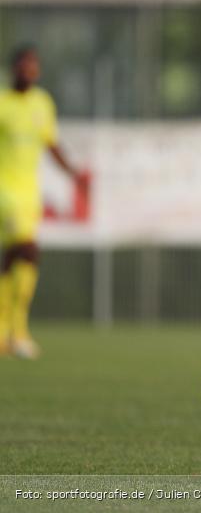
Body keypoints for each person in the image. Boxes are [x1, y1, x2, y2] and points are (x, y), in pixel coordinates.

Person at [0, 45, 87, 359]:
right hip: (4, 193)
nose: (28, 71)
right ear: (13, 69)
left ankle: (4, 333)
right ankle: (18, 332)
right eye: (23, 65)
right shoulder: (3, 103)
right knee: (28, 250)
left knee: (12, 259)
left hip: (28, 193)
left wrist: (73, 173)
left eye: (33, 66)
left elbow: (51, 144)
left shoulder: (42, 103)